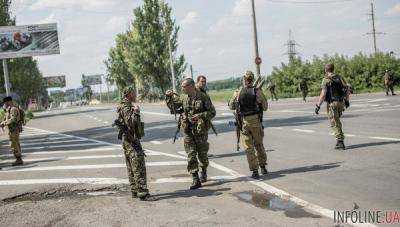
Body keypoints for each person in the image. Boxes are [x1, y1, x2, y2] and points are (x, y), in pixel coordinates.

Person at [165, 78, 216, 189]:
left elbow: (212, 112)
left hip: (200, 130)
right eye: (182, 86)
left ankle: (204, 170)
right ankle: (195, 179)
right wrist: (168, 97)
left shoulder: (203, 97)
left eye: (184, 86)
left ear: (191, 86)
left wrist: (200, 116)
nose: (182, 88)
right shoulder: (183, 98)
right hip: (188, 130)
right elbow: (174, 108)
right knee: (191, 154)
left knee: (202, 154)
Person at [228, 71, 269, 179]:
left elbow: (231, 106)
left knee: (248, 148)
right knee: (259, 145)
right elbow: (265, 107)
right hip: (256, 121)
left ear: (244, 79)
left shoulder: (237, 92)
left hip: (244, 123)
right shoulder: (257, 91)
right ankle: (263, 167)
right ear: (252, 79)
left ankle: (255, 170)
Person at [116, 86, 150, 200]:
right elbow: (130, 123)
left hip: (128, 140)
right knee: (137, 164)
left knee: (131, 165)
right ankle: (142, 192)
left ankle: (135, 190)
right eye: (134, 93)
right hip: (131, 139)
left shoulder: (125, 105)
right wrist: (136, 112)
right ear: (129, 94)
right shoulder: (126, 107)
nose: (135, 94)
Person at [315, 63, 350, 150]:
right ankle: (340, 140)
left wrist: (318, 106)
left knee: (334, 122)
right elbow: (347, 88)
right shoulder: (340, 77)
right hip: (341, 103)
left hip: (332, 104)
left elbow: (323, 94)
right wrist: (347, 100)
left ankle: (340, 141)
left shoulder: (326, 79)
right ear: (333, 69)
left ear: (326, 70)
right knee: (337, 121)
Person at [0, 96, 24, 166]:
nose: (4, 104)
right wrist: (4, 121)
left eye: (5, 103)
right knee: (15, 144)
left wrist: (4, 123)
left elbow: (13, 119)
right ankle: (18, 159)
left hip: (14, 130)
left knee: (14, 144)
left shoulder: (13, 109)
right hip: (12, 130)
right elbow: (8, 118)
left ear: (9, 102)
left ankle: (18, 159)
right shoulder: (9, 109)